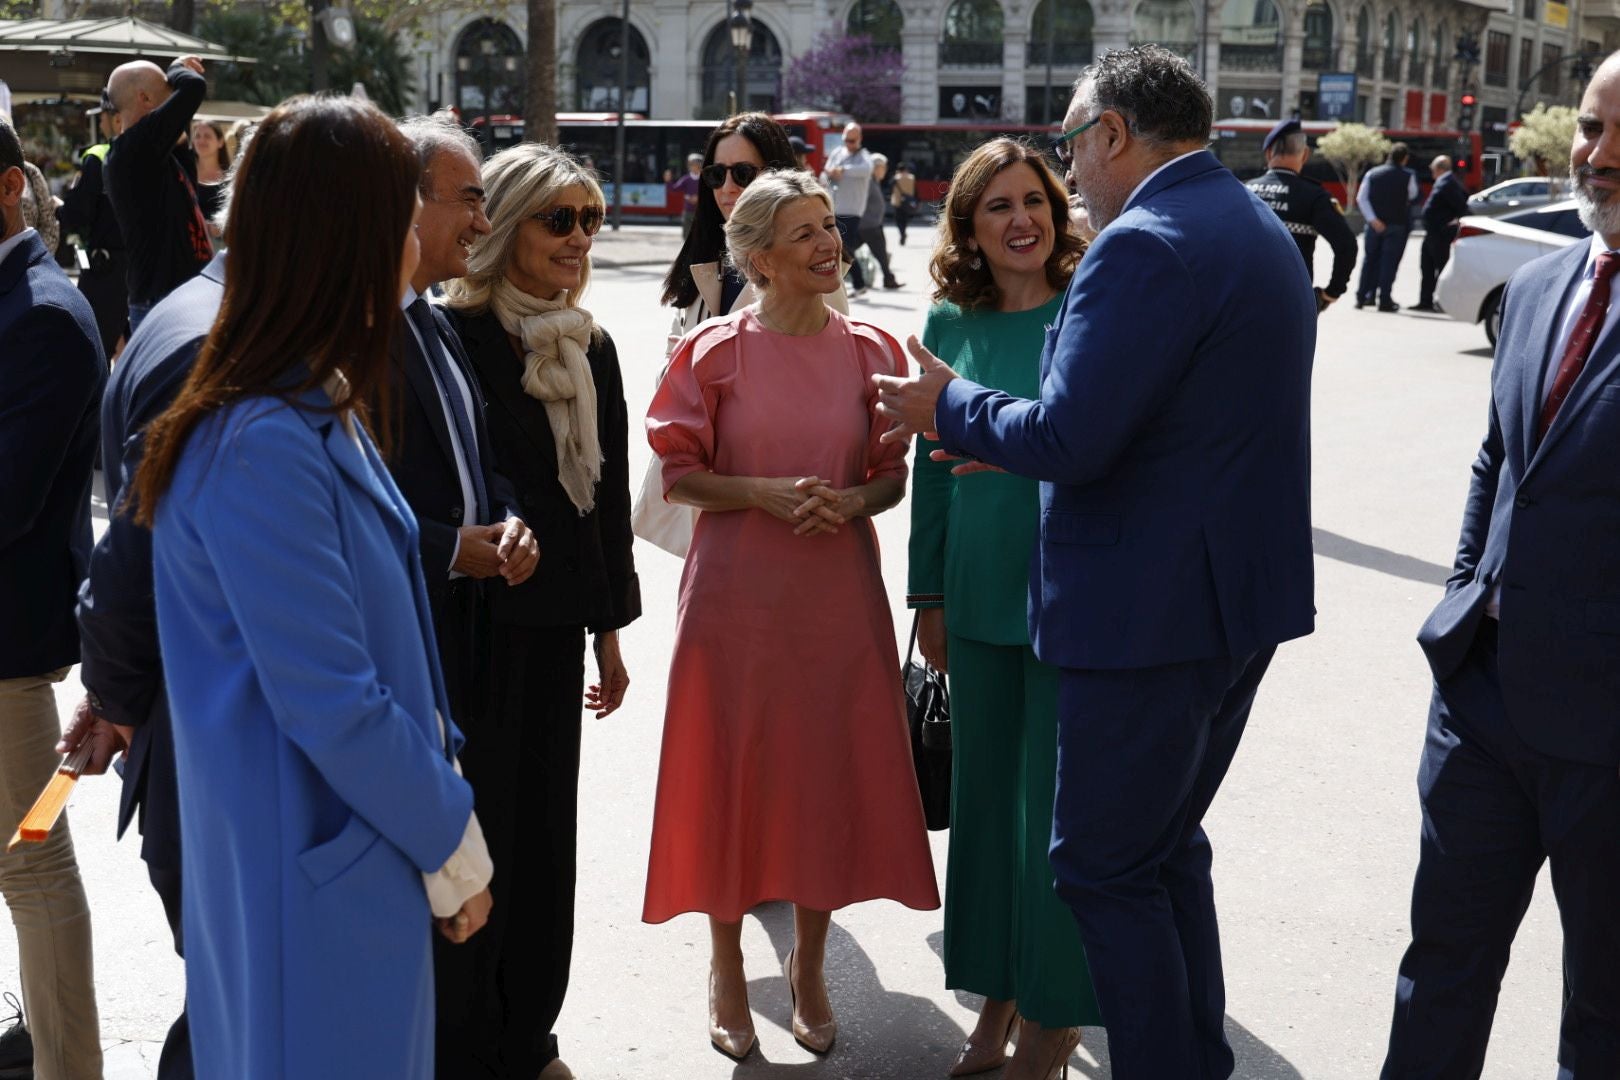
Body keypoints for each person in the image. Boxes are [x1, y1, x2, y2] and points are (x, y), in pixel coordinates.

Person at [875, 46, 1316, 1078]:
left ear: (1112, 132)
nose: (1070, 179)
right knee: (1162, 855)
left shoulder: (1144, 240)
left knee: (1104, 869)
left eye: (1072, 149)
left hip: (1146, 615)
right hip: (1228, 606)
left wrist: (948, 406)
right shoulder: (1252, 223)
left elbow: (1075, 438)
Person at [129, 95, 494, 1080]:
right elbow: (334, 699)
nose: (415, 249)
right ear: (350, 239)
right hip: (312, 882)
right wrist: (448, 837)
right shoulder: (263, 440)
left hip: (334, 865)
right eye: (399, 220)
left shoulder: (303, 403)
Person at [643, 169, 939, 1061]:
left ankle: (809, 969)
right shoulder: (712, 353)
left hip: (837, 600)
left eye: (828, 228)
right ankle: (727, 966)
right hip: (734, 600)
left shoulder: (870, 350)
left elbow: (892, 477)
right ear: (761, 258)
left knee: (818, 777)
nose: (828, 243)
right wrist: (764, 495)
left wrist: (852, 505)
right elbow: (678, 474)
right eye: (805, 233)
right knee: (733, 771)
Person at [1379, 51, 1620, 1079]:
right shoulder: (1539, 286)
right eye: (1591, 126)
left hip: (1608, 736)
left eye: (1618, 134)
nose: (1595, 154)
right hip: (1481, 701)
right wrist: (1465, 588)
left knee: (1604, 1010)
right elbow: (1499, 459)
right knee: (1441, 967)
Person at [443, 143, 640, 1080]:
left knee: (547, 845)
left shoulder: (588, 340)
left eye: (589, 220)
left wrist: (609, 637)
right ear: (506, 225)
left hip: (559, 630)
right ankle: (472, 1042)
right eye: (558, 219)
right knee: (482, 842)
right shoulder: (453, 333)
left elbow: (604, 507)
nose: (579, 239)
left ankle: (530, 1039)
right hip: (474, 629)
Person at [908, 138, 1099, 1080]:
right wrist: (928, 597)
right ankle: (994, 997)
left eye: (1037, 199)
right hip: (976, 597)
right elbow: (928, 476)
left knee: (1051, 816)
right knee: (984, 812)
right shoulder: (950, 321)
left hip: (1071, 597)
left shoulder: (1089, 308)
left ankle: (1055, 1017)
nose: (1023, 219)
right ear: (970, 229)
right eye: (998, 207)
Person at [390, 113, 544, 1080]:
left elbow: (479, 465)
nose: (483, 219)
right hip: (414, 641)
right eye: (470, 198)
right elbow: (345, 514)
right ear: (407, 206)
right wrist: (458, 549)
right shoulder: (354, 338)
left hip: (474, 637)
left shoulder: (433, 322)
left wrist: (512, 522)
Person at [0, 113, 106, 1080]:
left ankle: (67, 1069)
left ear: (7, 191)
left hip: (9, 666)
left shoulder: (41, 312)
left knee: (32, 862)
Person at [637, 113, 848, 557]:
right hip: (710, 495)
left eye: (744, 173)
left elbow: (830, 389)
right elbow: (670, 387)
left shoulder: (815, 271)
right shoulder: (704, 263)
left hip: (782, 499)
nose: (728, 187)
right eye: (716, 174)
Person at [103, 55, 212, 330]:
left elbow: (188, 173)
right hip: (163, 305)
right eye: (168, 90)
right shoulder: (134, 150)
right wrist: (177, 69)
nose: (175, 96)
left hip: (181, 299)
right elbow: (194, 89)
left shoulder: (155, 153)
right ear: (145, 99)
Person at [1245, 117, 1357, 313]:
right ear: (1304, 155)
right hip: (1293, 302)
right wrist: (1333, 291)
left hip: (1243, 297)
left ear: (1269, 152)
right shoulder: (1315, 196)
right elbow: (1347, 245)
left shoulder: (1243, 190)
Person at [55, 107, 128, 359]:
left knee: (89, 350)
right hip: (142, 270)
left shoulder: (98, 155)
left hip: (104, 272)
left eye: (103, 116)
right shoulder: (153, 155)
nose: (101, 122)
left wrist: (60, 209)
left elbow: (77, 214)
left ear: (116, 118)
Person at [1354, 141, 1418, 312]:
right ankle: (1384, 300)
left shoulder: (1372, 174)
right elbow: (1413, 195)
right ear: (1404, 159)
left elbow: (1362, 198)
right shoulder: (1408, 175)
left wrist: (1373, 219)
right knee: (1389, 264)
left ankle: (1362, 297)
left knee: (1369, 261)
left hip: (1374, 226)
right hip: (1397, 224)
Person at [1413, 154, 1470, 313]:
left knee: (1441, 269)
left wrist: (1452, 222)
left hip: (1440, 234)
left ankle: (1443, 302)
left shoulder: (1449, 183)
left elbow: (1463, 206)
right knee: (1427, 268)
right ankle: (1425, 301)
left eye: (1433, 169)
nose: (1431, 172)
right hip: (1432, 233)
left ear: (1439, 169)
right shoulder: (1445, 181)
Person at [820, 120, 872, 294]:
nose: (849, 144)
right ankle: (857, 283)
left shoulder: (864, 155)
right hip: (834, 208)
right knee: (840, 248)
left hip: (853, 210)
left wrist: (843, 170)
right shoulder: (837, 152)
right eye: (846, 140)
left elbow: (866, 169)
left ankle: (855, 283)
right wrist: (832, 172)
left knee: (845, 248)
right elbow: (826, 170)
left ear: (860, 139)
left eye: (852, 141)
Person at [859, 152, 902, 290]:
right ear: (875, 167)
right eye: (883, 167)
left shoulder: (874, 182)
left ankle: (888, 279)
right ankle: (888, 279)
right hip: (869, 225)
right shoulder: (868, 182)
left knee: (849, 252)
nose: (885, 170)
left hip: (873, 224)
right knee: (881, 255)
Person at [188, 119, 229, 227]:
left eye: (207, 136)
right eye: (197, 136)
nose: (201, 141)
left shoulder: (231, 179)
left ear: (220, 142)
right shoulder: (184, 174)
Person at [666, 151, 703, 236]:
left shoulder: (705, 178)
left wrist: (699, 198)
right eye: (690, 164)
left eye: (692, 164)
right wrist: (668, 181)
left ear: (699, 165)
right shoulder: (686, 179)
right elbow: (674, 189)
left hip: (701, 211)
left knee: (700, 234)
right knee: (686, 235)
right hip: (688, 211)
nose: (690, 166)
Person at [890, 160, 919, 245]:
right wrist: (917, 200)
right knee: (905, 219)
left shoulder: (895, 178)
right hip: (908, 202)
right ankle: (903, 232)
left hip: (897, 201)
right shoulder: (912, 177)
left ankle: (902, 233)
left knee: (898, 220)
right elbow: (916, 190)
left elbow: (890, 186)